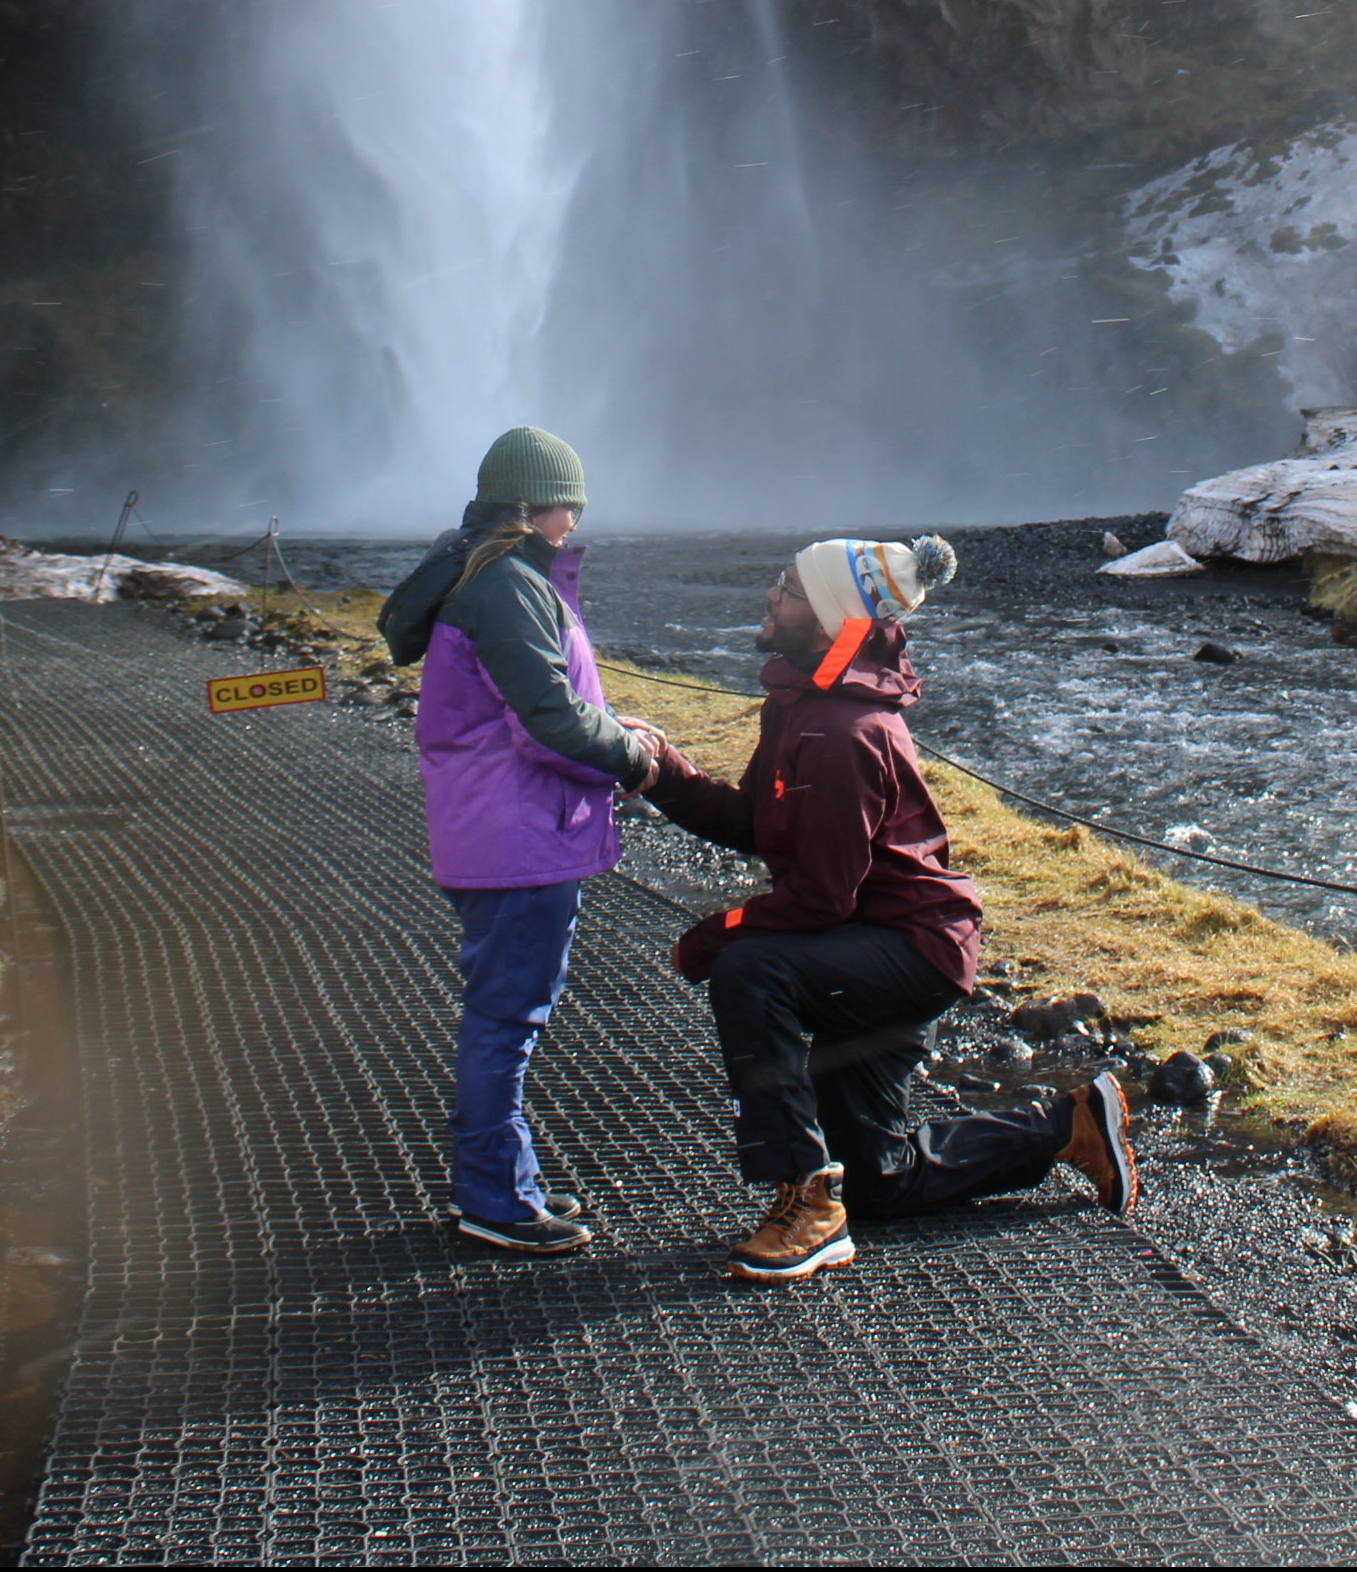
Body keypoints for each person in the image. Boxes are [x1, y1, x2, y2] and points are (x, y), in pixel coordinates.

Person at [645, 534, 1136, 1282]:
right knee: (877, 1181)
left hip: (909, 953)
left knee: (750, 968)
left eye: (787, 588)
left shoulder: (843, 732)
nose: (770, 597)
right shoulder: (802, 706)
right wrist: (662, 773)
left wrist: (712, 939)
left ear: (831, 620)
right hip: (865, 946)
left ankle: (807, 1204)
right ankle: (1066, 1128)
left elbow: (818, 898)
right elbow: (755, 822)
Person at [379, 425, 670, 1255]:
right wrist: (631, 759)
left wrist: (610, 722)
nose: (572, 526)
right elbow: (544, 723)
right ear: (533, 507)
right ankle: (495, 1200)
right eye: (565, 508)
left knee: (505, 1014)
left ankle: (506, 1177)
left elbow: (535, 699)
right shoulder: (506, 584)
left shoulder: (481, 571)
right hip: (519, 837)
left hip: (496, 830)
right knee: (506, 1019)